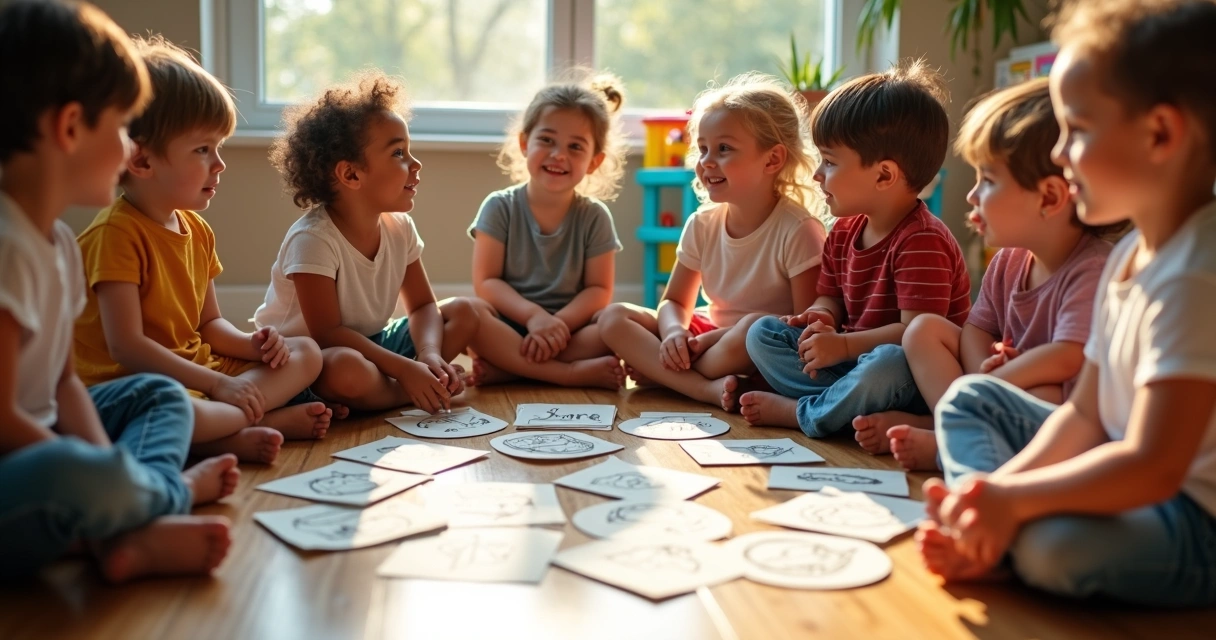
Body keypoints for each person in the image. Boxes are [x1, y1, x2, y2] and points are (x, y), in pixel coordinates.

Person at [919, 0, 1216, 607]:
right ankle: (987, 529)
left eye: (1076, 131)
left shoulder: (1196, 275)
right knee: (970, 398)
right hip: (1113, 460)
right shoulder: (1131, 251)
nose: (1059, 152)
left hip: (1189, 516)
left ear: (1159, 133)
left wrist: (1016, 502)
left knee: (1050, 547)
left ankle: (1001, 538)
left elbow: (1155, 465)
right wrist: (994, 497)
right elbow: (1084, 417)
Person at [0, 0, 234, 582]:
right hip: (18, 463)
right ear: (72, 127)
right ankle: (159, 499)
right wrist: (96, 471)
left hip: (49, 438)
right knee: (76, 474)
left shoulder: (54, 241)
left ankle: (120, 518)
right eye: (126, 128)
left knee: (159, 394)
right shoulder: (8, 248)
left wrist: (103, 467)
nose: (135, 151)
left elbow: (61, 386)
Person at [255, 71, 479, 414]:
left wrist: (428, 355)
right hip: (309, 357)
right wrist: (405, 370)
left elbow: (421, 306)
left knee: (463, 311)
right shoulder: (313, 240)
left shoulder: (399, 227)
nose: (415, 164)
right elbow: (328, 334)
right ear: (351, 174)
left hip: (373, 343)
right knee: (348, 369)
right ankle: (403, 393)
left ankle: (402, 387)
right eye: (398, 153)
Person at [599, 72, 827, 409]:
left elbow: (801, 324)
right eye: (703, 148)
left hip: (755, 346)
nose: (706, 161)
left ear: (773, 159)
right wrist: (676, 333)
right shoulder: (702, 224)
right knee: (613, 317)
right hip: (707, 336)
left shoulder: (798, 229)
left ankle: (669, 376)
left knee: (753, 326)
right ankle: (703, 389)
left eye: (724, 149)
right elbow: (675, 302)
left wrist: (706, 342)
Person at [462, 73, 629, 390]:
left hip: (570, 332)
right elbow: (486, 282)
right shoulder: (499, 207)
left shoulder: (595, 216)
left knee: (612, 326)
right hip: (509, 326)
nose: (559, 155)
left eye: (575, 146)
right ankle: (569, 373)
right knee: (469, 313)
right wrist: (534, 317)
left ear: (594, 161)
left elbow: (598, 290)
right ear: (525, 143)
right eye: (547, 140)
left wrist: (557, 325)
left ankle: (511, 369)